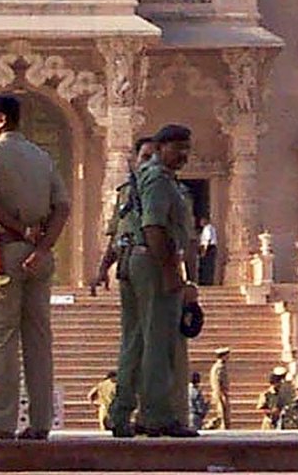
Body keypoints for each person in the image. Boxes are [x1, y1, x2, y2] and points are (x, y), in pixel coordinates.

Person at [0, 93, 70, 440]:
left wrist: (21, 231)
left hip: (4, 252)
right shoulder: (42, 156)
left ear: (1, 120)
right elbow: (62, 208)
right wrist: (42, 247)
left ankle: (2, 419)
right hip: (38, 256)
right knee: (38, 339)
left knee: (0, 338)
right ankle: (40, 421)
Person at [132, 123, 197, 437]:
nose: (184, 155)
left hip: (155, 261)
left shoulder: (162, 179)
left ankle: (150, 413)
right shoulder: (158, 179)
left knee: (154, 341)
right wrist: (171, 272)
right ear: (160, 148)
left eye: (187, 149)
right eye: (178, 148)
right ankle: (157, 416)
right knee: (160, 343)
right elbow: (153, 227)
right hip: (156, 263)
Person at [94, 135, 154, 437]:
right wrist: (103, 267)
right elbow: (119, 233)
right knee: (148, 341)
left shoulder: (139, 189)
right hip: (146, 265)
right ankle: (149, 413)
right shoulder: (137, 191)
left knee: (138, 342)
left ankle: (127, 412)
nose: (149, 163)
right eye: (145, 157)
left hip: (135, 264)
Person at [204, 346, 231, 429]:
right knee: (221, 413)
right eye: (227, 355)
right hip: (220, 393)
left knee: (224, 413)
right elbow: (217, 382)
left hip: (222, 392)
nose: (228, 357)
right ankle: (210, 426)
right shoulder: (218, 367)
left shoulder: (222, 366)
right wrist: (220, 393)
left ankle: (223, 427)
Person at [197, 218, 218, 286]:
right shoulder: (212, 228)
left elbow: (206, 240)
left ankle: (205, 281)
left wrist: (203, 251)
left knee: (206, 266)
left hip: (208, 249)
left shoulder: (206, 229)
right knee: (210, 265)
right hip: (213, 248)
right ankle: (209, 281)